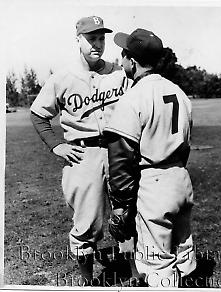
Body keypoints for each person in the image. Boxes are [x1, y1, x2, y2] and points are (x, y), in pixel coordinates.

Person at [30, 16, 130, 285]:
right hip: (83, 155)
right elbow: (38, 114)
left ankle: (134, 275)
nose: (97, 44)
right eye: (91, 38)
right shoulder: (62, 78)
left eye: (101, 38)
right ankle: (87, 282)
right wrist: (56, 144)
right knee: (86, 224)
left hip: (119, 151)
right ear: (78, 40)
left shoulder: (120, 73)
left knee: (128, 215)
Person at [104, 28, 196, 287]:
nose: (121, 61)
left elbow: (121, 157)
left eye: (123, 55)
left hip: (154, 185)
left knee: (157, 263)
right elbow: (186, 144)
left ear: (131, 61)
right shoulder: (179, 92)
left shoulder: (133, 97)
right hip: (181, 178)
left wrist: (121, 205)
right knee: (183, 252)